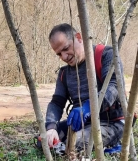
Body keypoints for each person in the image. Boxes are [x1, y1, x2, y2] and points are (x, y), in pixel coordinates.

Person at [45, 23, 125, 151]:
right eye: (59, 54)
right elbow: (57, 102)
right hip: (80, 124)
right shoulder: (64, 73)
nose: (64, 57)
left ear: (78, 37)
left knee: (75, 144)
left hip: (111, 122)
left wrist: (88, 107)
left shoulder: (106, 55)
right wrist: (51, 127)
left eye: (66, 48)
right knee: (44, 141)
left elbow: (114, 86)